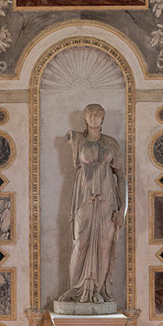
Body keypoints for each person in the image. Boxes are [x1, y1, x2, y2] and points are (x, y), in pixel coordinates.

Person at [58, 102, 125, 307]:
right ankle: (77, 288)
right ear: (85, 118)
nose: (94, 117)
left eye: (97, 114)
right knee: (81, 241)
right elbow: (71, 145)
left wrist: (123, 208)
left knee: (104, 245)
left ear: (103, 118)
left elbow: (121, 175)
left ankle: (98, 289)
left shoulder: (111, 143)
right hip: (84, 198)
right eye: (90, 114)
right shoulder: (78, 140)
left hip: (107, 200)